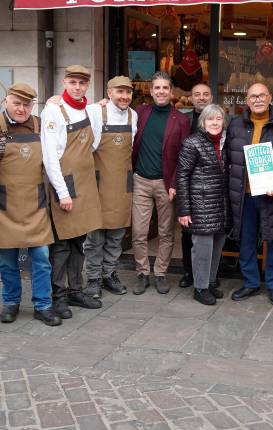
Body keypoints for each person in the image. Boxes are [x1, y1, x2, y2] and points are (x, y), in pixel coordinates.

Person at [0, 83, 61, 327]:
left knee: (41, 258)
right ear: (6, 101)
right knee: (7, 260)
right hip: (4, 206)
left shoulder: (39, 124)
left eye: (27, 104)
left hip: (35, 205)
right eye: (17, 103)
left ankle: (43, 305)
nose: (22, 109)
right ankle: (11, 302)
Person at [41, 65, 103, 319]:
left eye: (82, 83)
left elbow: (95, 142)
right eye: (73, 82)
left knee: (80, 241)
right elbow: (49, 157)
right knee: (62, 244)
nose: (77, 87)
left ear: (87, 85)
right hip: (65, 185)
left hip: (86, 183)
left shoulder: (90, 110)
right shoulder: (53, 111)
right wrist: (63, 192)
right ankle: (59, 295)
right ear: (64, 82)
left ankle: (76, 289)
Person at [226, 83, 273, 305]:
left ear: (270, 97)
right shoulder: (235, 124)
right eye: (253, 96)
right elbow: (228, 159)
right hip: (244, 195)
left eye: (262, 95)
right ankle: (250, 283)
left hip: (272, 193)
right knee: (246, 240)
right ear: (247, 100)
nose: (258, 99)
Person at [131, 71, 190, 295]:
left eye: (165, 88)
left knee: (166, 232)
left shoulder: (181, 120)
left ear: (171, 91)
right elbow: (114, 112)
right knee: (138, 230)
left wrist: (175, 182)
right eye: (157, 88)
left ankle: (161, 273)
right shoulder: (140, 112)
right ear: (150, 90)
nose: (161, 92)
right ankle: (142, 272)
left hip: (166, 184)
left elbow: (184, 156)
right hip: (141, 181)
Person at [82, 76, 138, 298]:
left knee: (116, 236)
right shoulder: (95, 111)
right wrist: (54, 101)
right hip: (99, 184)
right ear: (109, 93)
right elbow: (71, 111)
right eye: (119, 92)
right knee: (94, 238)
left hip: (122, 185)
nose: (124, 97)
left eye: (128, 92)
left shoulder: (133, 116)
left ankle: (109, 274)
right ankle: (93, 278)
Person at [175, 104, 230, 305]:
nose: (215, 123)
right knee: (202, 248)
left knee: (216, 246)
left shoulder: (226, 142)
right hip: (201, 205)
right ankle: (200, 288)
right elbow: (181, 176)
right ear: (202, 122)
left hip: (220, 204)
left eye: (218, 119)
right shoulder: (192, 143)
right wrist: (184, 209)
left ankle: (209, 282)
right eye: (210, 119)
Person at [179, 83, 213, 289]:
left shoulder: (220, 119)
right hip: (189, 183)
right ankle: (188, 272)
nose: (201, 98)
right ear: (190, 98)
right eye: (197, 94)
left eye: (205, 94)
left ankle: (209, 274)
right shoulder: (183, 121)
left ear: (211, 97)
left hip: (211, 186)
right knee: (187, 230)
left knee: (210, 232)